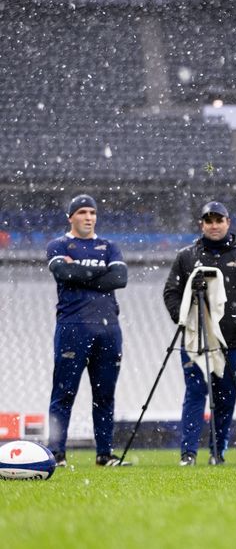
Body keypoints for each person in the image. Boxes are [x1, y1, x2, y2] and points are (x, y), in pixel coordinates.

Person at [162, 201, 236, 466]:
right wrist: (185, 319)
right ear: (202, 224)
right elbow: (171, 292)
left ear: (228, 222)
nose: (214, 225)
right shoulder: (186, 256)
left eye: (219, 220)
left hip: (232, 341)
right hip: (195, 340)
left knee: (226, 399)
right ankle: (188, 454)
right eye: (209, 221)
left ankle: (217, 453)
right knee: (195, 394)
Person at [46, 194, 130, 467]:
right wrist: (99, 274)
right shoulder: (58, 244)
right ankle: (56, 454)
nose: (88, 217)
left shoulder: (109, 246)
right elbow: (63, 274)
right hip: (73, 327)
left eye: (92, 212)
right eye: (82, 212)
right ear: (71, 217)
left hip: (108, 329)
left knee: (104, 394)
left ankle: (104, 455)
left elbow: (120, 279)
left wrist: (79, 271)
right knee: (64, 393)